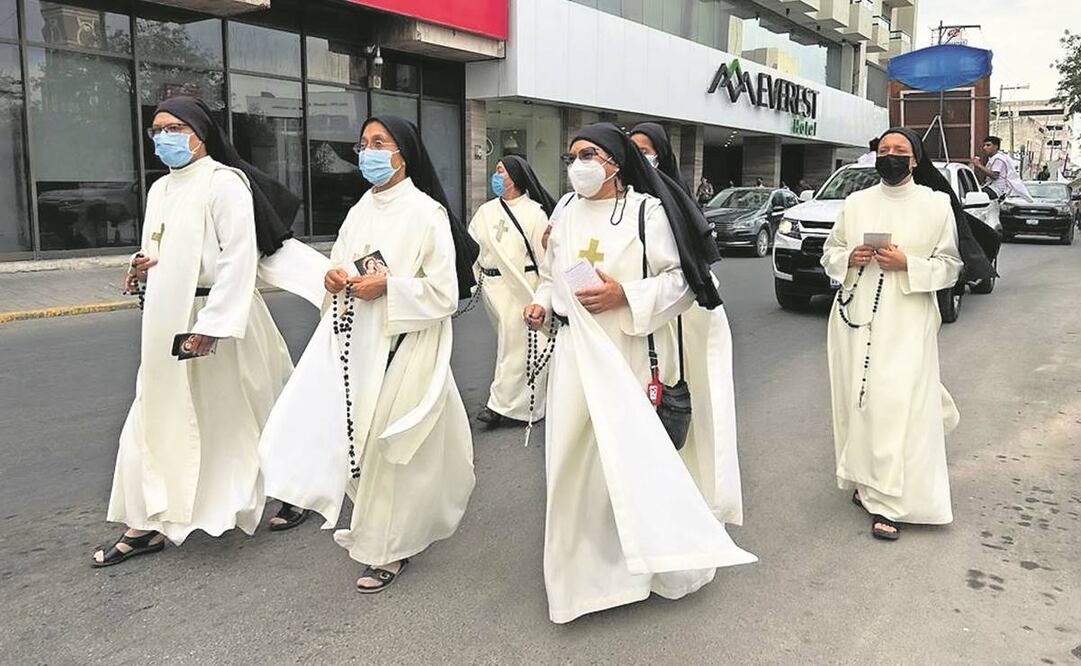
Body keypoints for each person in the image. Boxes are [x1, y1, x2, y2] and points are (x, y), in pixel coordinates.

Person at [523, 122, 755, 624]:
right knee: (571, 465)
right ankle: (584, 578)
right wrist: (542, 304)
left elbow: (682, 283)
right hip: (574, 357)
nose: (579, 163)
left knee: (629, 462)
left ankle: (646, 566)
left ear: (616, 161)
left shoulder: (647, 212)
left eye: (590, 154)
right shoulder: (562, 210)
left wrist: (623, 295)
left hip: (627, 353)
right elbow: (550, 275)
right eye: (572, 155)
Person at [93, 96, 329, 567]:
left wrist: (214, 326)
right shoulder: (160, 189)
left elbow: (238, 261)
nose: (164, 138)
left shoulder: (226, 185)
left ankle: (295, 490)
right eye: (157, 129)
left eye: (175, 127)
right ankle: (147, 523)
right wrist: (141, 268)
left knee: (252, 410)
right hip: (166, 319)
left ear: (201, 132)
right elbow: (160, 247)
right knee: (154, 412)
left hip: (219, 320)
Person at [259, 115, 479, 593]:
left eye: (380, 143)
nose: (369, 152)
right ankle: (381, 529)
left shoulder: (428, 213)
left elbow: (444, 292)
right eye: (363, 144)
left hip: (407, 345)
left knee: (390, 447)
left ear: (403, 153)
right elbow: (339, 263)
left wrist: (391, 287)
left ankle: (387, 549)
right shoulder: (360, 208)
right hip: (357, 344)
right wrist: (334, 277)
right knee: (361, 443)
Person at [820, 127, 964, 541]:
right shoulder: (856, 202)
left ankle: (891, 503)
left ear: (915, 159)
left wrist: (909, 264)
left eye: (899, 150)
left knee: (896, 403)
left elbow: (951, 266)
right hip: (856, 314)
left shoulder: (936, 205)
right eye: (884, 150)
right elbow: (831, 252)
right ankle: (867, 485)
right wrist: (850, 257)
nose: (891, 156)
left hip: (907, 318)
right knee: (860, 400)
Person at [470, 155, 555, 428]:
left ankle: (499, 406)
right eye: (495, 171)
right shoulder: (485, 211)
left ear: (516, 176)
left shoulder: (534, 212)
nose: (496, 176)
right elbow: (474, 247)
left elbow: (544, 259)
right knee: (513, 346)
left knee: (513, 346)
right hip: (492, 287)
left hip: (521, 287)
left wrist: (544, 294)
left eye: (501, 171)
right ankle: (526, 399)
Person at [630, 122, 693, 197]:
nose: (637, 156)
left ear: (660, 153)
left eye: (643, 152)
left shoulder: (678, 190)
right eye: (633, 151)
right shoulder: (623, 187)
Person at [972, 136, 1033, 202]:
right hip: (993, 189)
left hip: (995, 190)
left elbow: (995, 175)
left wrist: (979, 165)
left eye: (988, 145)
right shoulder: (994, 158)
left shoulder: (998, 159)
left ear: (996, 146)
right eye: (984, 145)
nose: (985, 148)